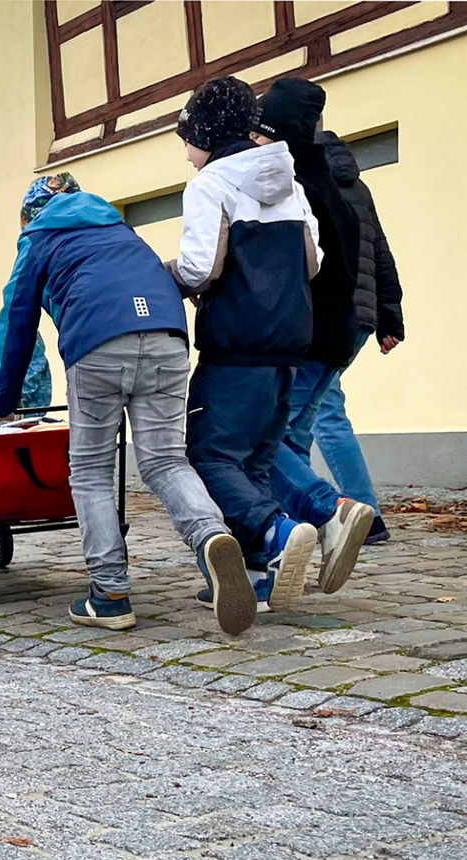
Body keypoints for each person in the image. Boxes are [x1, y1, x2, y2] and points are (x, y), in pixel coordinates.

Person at [0, 172, 255, 635]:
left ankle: (109, 594)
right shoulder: (122, 231)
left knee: (90, 470)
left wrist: (1, 400)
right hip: (169, 336)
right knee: (168, 461)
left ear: (30, 216)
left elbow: (17, 319)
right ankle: (212, 536)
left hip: (97, 344)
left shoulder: (39, 238)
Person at [168, 76, 322, 612]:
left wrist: (162, 277)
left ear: (205, 131)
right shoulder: (289, 184)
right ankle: (257, 578)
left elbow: (200, 266)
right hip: (288, 345)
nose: (186, 153)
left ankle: (276, 532)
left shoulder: (211, 184)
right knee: (253, 463)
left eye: (186, 138)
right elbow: (312, 261)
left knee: (207, 456)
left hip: (235, 345)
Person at [251, 79, 375, 593]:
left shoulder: (291, 185)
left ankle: (331, 512)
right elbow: (373, 260)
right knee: (291, 445)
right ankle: (292, 553)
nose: (252, 142)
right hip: (335, 338)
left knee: (256, 444)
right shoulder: (330, 180)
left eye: (260, 131)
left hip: (307, 340)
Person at [304, 131, 405, 544]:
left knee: (319, 414)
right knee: (322, 411)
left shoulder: (306, 176)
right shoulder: (357, 183)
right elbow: (380, 249)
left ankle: (362, 516)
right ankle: (358, 513)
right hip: (360, 315)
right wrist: (389, 318)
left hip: (326, 314)